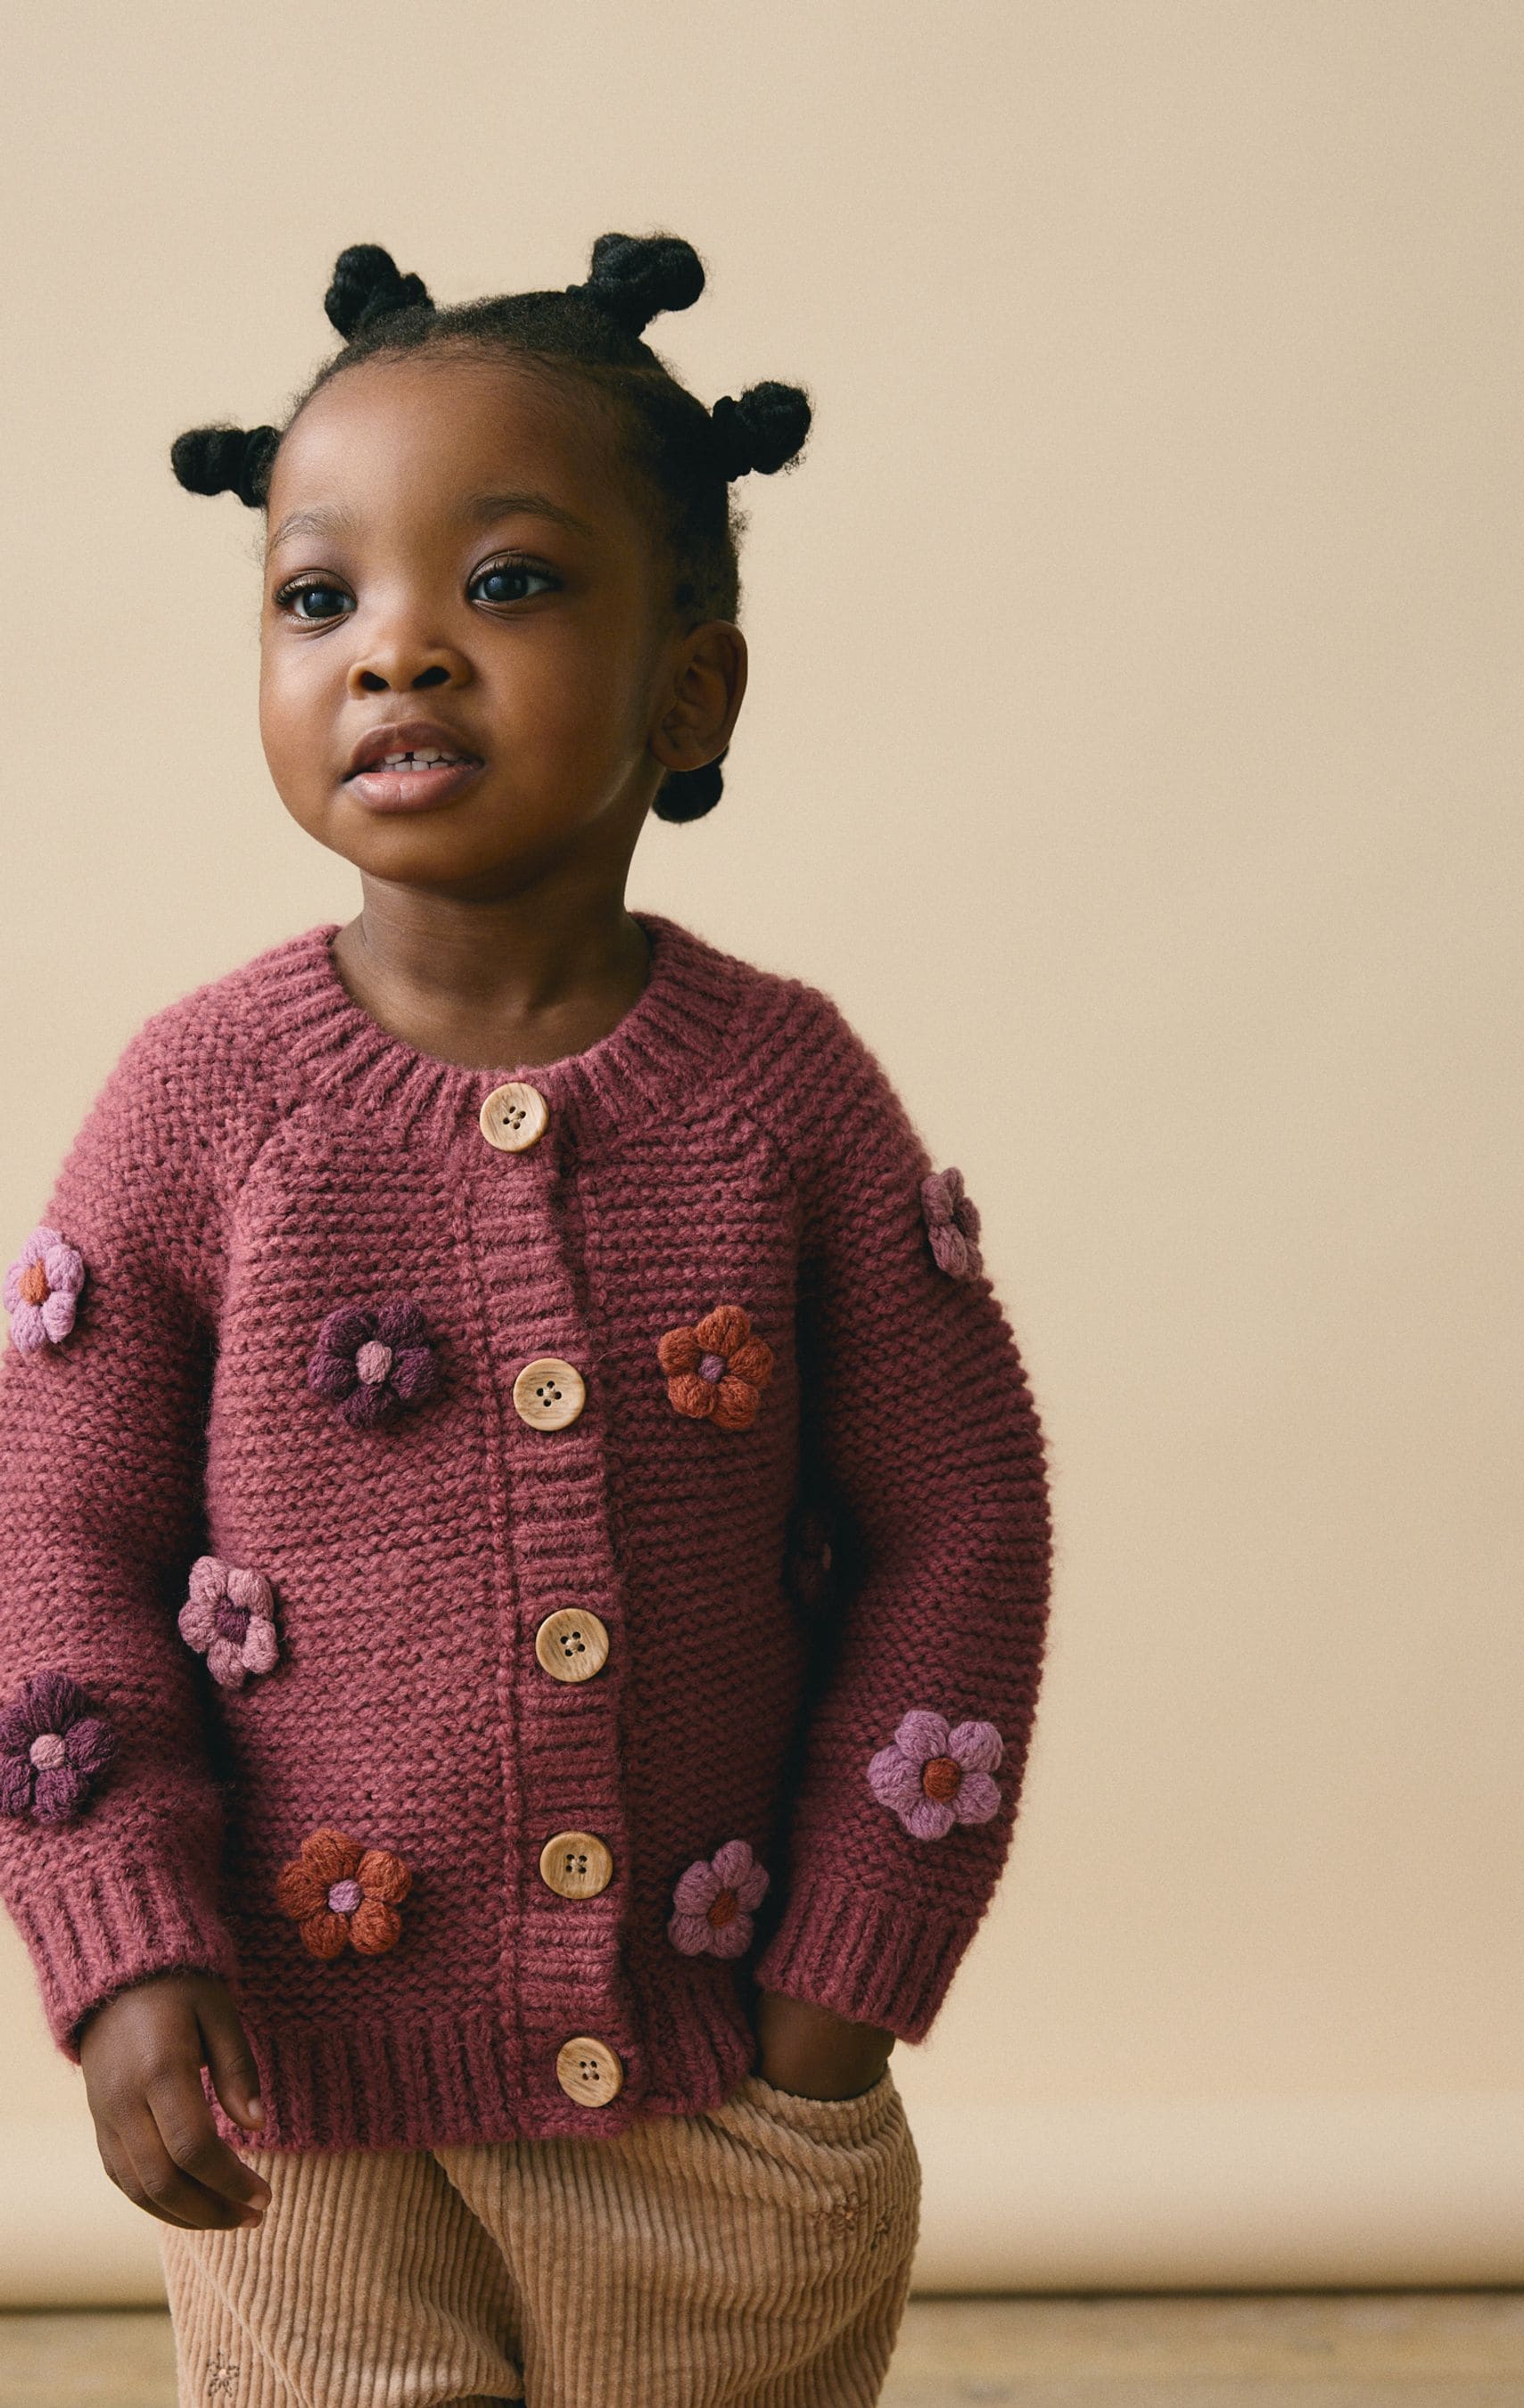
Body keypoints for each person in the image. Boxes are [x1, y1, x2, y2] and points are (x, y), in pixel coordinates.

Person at [0, 230, 1054, 2408]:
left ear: (694, 693)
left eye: (504, 585)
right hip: (301, 2119)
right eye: (323, 602)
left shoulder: (789, 1098)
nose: (398, 655)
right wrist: (116, 1943)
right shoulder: (203, 1107)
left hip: (714, 2101)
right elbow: (48, 1541)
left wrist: (840, 1989)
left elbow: (963, 1521)